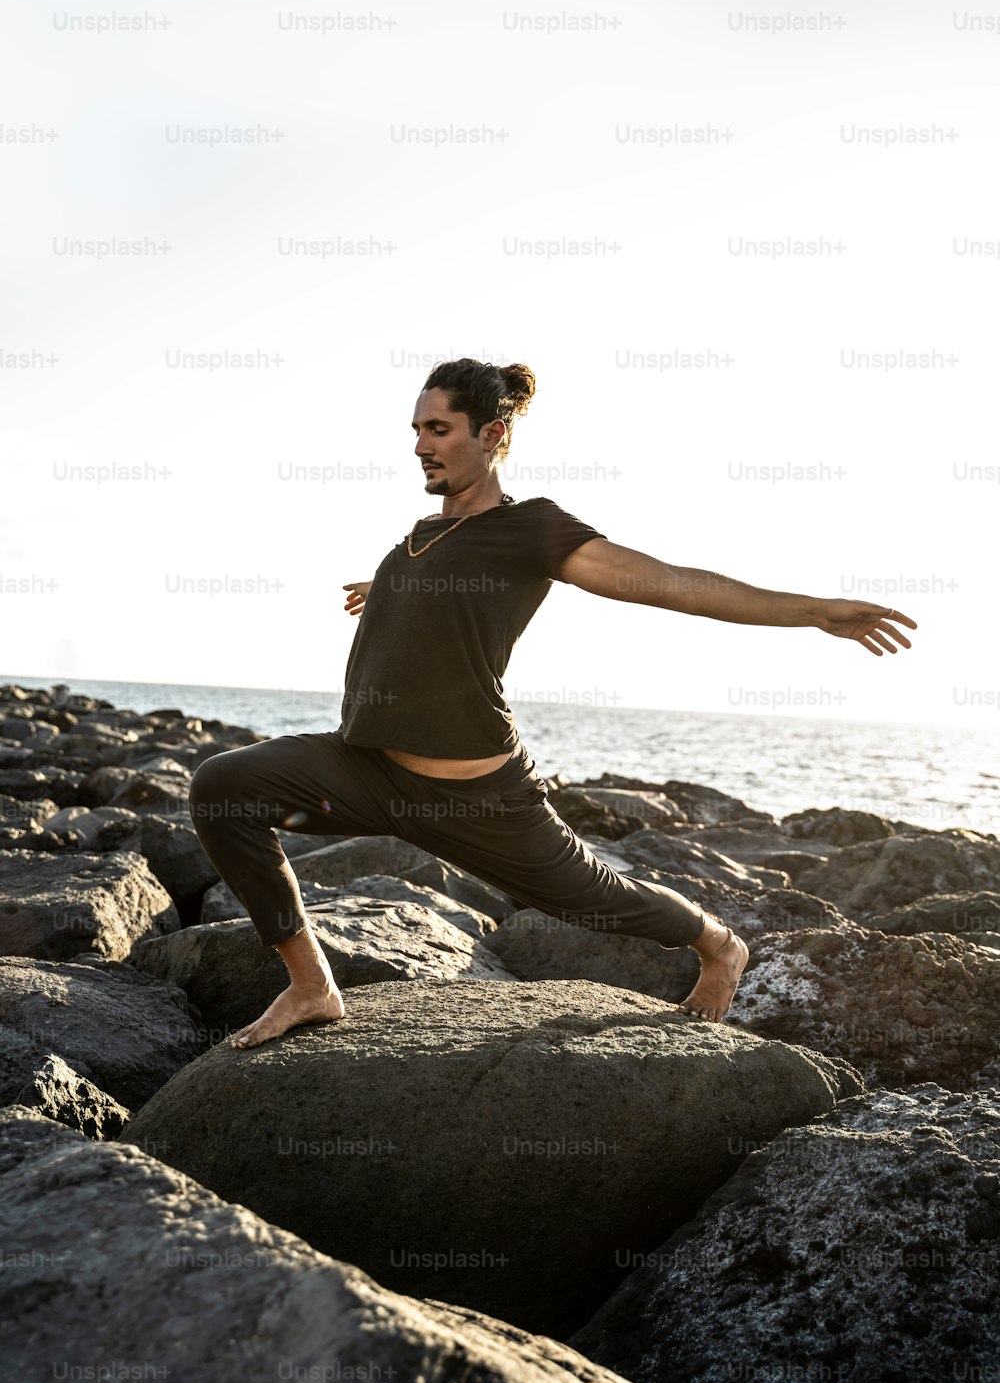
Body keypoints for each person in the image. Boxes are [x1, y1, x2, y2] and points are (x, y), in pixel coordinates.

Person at [187, 357, 917, 1049]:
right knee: (223, 785)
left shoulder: (531, 528)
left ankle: (718, 942)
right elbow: (449, 599)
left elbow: (670, 582)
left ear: (492, 434)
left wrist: (814, 609)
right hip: (368, 769)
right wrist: (391, 590)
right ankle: (312, 986)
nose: (419, 445)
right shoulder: (421, 537)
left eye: (437, 429)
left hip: (476, 799)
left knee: (595, 898)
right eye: (415, 429)